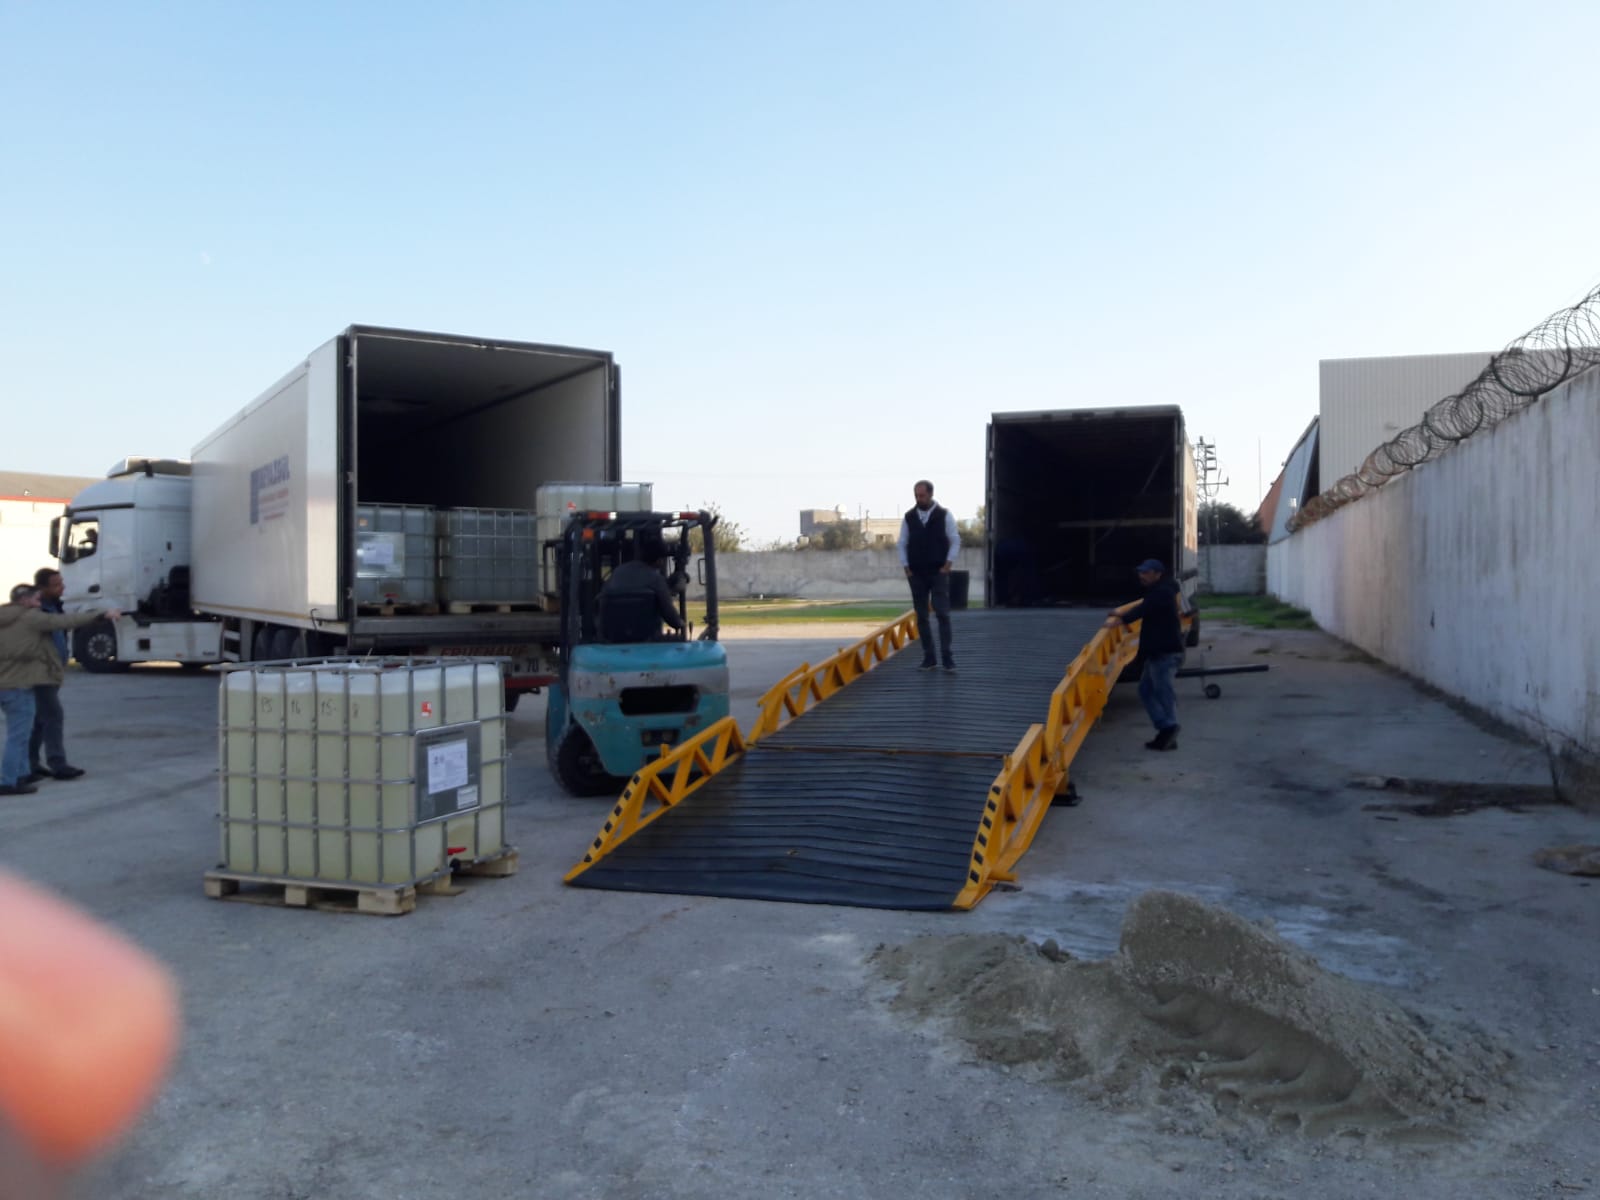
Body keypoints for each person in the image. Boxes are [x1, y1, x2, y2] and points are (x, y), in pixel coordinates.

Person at [0, 585, 120, 796]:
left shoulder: (5, 618)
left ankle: (22, 774)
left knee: (21, 734)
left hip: (6, 684)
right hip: (19, 686)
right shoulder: (30, 617)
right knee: (18, 737)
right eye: (36, 600)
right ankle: (8, 781)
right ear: (25, 600)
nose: (39, 604)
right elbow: (64, 621)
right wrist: (100, 615)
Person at [1104, 559, 1185, 751]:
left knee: (1162, 692)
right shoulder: (1158, 590)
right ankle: (1166, 729)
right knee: (1146, 690)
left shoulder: (1163, 592)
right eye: (1141, 572)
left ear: (1158, 574)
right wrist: (1120, 613)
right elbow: (1145, 605)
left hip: (1165, 653)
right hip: (1156, 652)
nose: (1142, 576)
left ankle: (1169, 728)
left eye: (1146, 573)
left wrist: (1122, 619)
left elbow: (1145, 608)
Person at [897, 479, 959, 672]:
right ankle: (929, 658)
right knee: (922, 617)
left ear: (931, 494)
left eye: (922, 495)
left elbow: (955, 539)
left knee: (942, 613)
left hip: (938, 572)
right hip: (916, 574)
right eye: (916, 495)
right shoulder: (909, 517)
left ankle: (947, 658)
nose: (919, 499)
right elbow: (902, 543)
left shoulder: (944, 515)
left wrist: (948, 564)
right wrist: (906, 567)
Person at [26, 568, 81, 784]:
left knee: (38, 719)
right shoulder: (37, 612)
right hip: (40, 673)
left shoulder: (54, 607)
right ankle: (58, 764)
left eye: (61, 583)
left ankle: (30, 763)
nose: (62, 587)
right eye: (56, 585)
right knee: (53, 716)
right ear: (42, 588)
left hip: (52, 671)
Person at [599, 534, 685, 639]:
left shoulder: (618, 572)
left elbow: (603, 597)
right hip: (647, 638)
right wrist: (681, 623)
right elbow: (669, 614)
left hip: (613, 637)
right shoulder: (656, 579)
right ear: (659, 560)